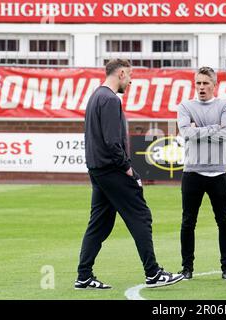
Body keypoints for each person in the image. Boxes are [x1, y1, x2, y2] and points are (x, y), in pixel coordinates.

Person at [75, 59, 184, 290]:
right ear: (121, 73)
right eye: (130, 75)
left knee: (99, 224)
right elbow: (112, 141)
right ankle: (153, 273)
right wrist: (129, 169)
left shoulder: (96, 96)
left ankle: (83, 276)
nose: (131, 80)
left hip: (97, 170)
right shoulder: (110, 99)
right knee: (141, 216)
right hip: (113, 171)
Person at [177, 66, 226, 281]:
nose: (201, 87)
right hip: (192, 172)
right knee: (188, 222)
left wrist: (199, 130)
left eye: (205, 83)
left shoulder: (225, 105)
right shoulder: (185, 106)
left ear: (214, 85)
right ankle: (187, 268)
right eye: (198, 83)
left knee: (224, 221)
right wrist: (214, 128)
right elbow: (187, 133)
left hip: (218, 173)